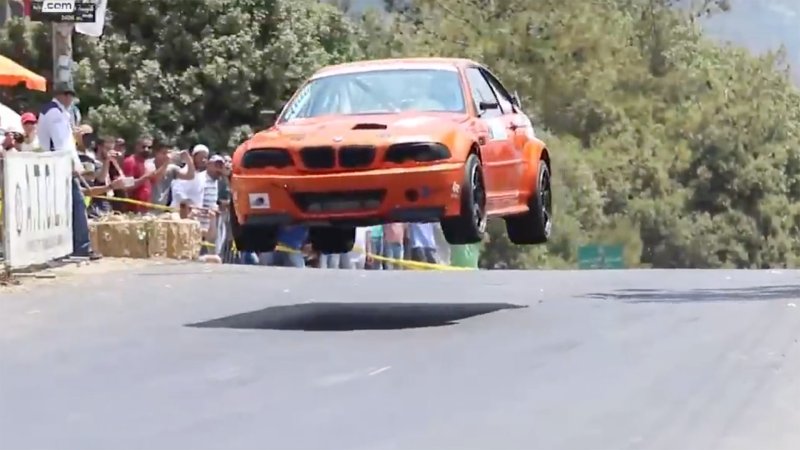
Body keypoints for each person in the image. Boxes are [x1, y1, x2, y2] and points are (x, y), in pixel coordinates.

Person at [37, 81, 99, 259]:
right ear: (64, 95)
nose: (71, 100)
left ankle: (68, 246)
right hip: (60, 167)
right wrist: (73, 166)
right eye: (70, 96)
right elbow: (62, 143)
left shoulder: (50, 111)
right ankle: (81, 247)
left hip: (55, 166)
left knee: (65, 207)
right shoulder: (56, 114)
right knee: (77, 205)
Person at [121, 135, 158, 214]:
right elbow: (127, 186)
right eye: (143, 147)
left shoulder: (148, 163)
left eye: (149, 147)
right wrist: (146, 176)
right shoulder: (130, 161)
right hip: (132, 209)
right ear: (137, 147)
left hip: (145, 207)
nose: (146, 150)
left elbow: (153, 182)